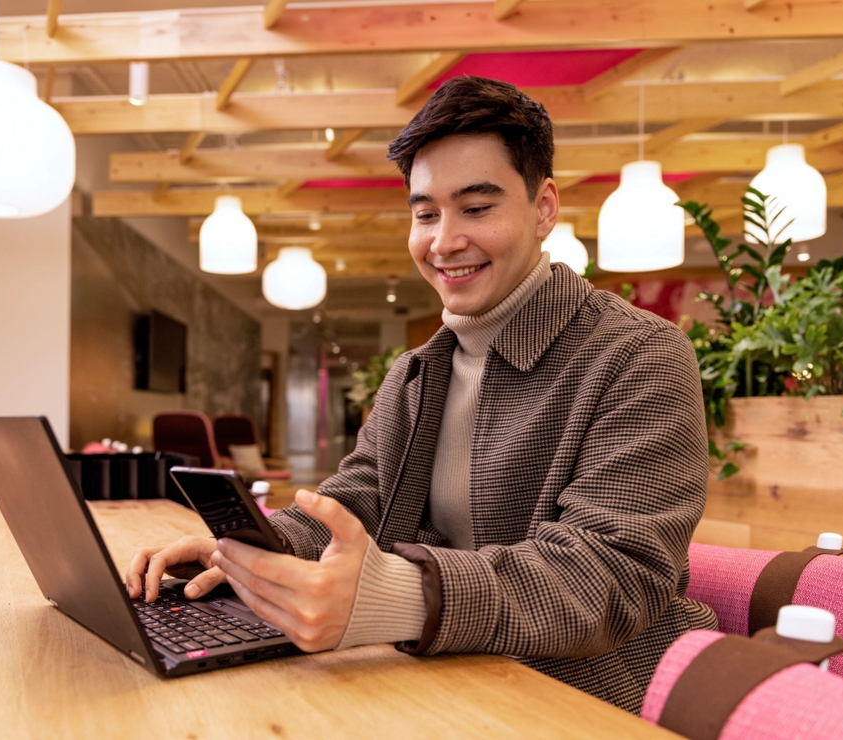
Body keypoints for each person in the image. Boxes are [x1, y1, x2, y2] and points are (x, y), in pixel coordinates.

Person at [126, 76, 716, 712]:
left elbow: (611, 575)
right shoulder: (416, 371)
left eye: (477, 208)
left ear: (544, 207)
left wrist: (399, 597)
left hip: (586, 697)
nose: (443, 241)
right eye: (426, 212)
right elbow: (359, 499)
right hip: (448, 677)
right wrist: (246, 549)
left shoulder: (638, 353)